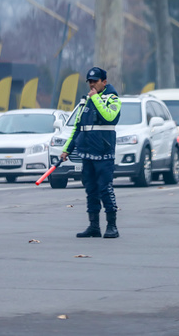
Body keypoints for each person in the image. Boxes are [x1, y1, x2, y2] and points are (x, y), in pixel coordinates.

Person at [60, 67, 122, 238]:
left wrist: (96, 99)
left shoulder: (113, 99)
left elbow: (109, 117)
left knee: (105, 189)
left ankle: (112, 226)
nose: (92, 85)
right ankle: (94, 226)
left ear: (104, 82)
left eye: (95, 81)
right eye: (90, 82)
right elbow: (78, 128)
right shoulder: (85, 101)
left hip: (104, 153)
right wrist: (67, 149)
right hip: (87, 153)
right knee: (91, 190)